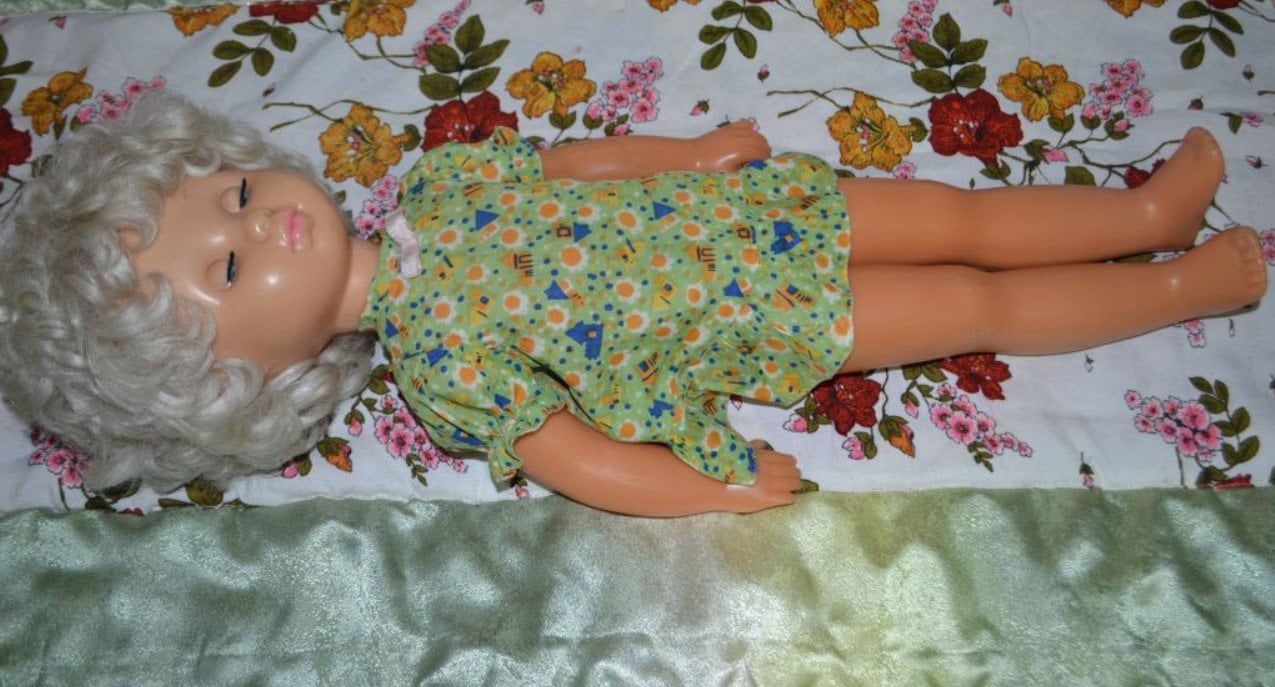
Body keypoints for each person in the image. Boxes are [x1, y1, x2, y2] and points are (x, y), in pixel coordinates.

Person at [0, 92, 1265, 516]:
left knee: (958, 214)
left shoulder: (437, 185)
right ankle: (1182, 286)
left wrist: (694, 153)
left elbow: (574, 167)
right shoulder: (442, 372)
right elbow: (581, 461)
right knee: (974, 304)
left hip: (753, 218)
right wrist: (715, 486)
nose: (257, 221)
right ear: (248, 381)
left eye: (230, 193)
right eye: (228, 270)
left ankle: (1146, 216)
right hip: (758, 326)